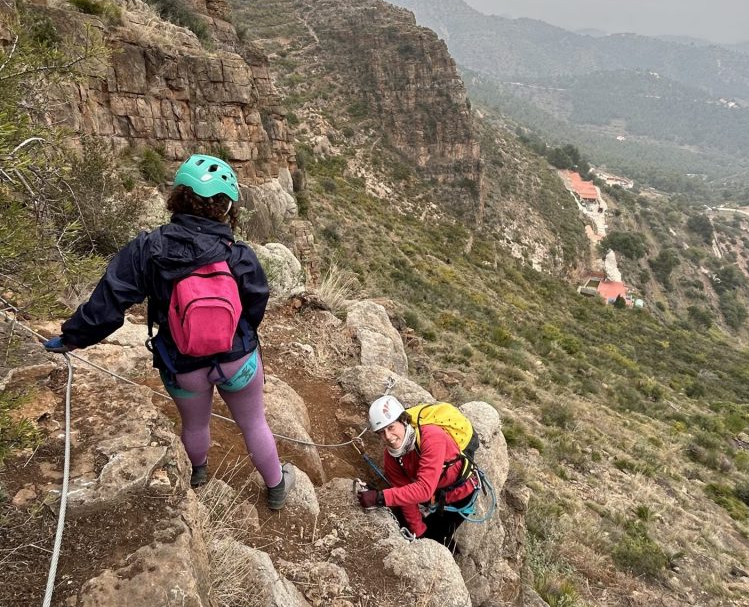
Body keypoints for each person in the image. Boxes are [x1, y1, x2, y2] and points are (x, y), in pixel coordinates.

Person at [43, 153, 295, 509]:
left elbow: (110, 300)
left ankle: (197, 473)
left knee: (195, 425)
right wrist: (240, 335)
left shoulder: (148, 248)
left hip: (181, 362)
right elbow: (256, 302)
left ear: (177, 197)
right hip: (237, 359)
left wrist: (73, 337)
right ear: (226, 207)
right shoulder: (238, 255)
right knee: (254, 424)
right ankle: (276, 488)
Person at [357, 394, 477, 551]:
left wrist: (380, 498)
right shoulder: (391, 456)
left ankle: (447, 547)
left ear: (403, 421)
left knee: (440, 536)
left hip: (460, 493)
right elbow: (404, 493)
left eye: (391, 427)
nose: (388, 437)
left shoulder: (431, 437)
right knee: (422, 530)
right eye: (381, 432)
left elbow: (424, 489)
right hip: (434, 494)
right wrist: (419, 532)